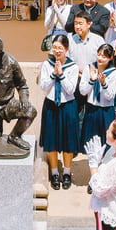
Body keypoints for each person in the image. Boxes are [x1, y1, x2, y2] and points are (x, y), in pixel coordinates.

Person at [40, 33, 82, 191]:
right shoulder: (47, 64)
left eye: (60, 48)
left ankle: (67, 172)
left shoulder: (72, 66)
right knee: (51, 141)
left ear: (66, 49)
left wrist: (61, 75)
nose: (57, 51)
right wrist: (53, 74)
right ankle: (54, 172)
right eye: (55, 47)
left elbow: (71, 89)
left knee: (68, 142)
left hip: (68, 105)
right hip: (51, 104)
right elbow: (44, 86)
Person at [80, 43, 116, 158]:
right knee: (91, 145)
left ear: (110, 58)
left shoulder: (114, 73)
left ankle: (104, 170)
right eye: (99, 55)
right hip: (91, 109)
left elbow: (110, 96)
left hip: (106, 111)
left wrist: (104, 83)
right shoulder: (90, 68)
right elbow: (83, 91)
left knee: (107, 145)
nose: (100, 58)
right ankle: (94, 171)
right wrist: (92, 81)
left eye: (104, 56)